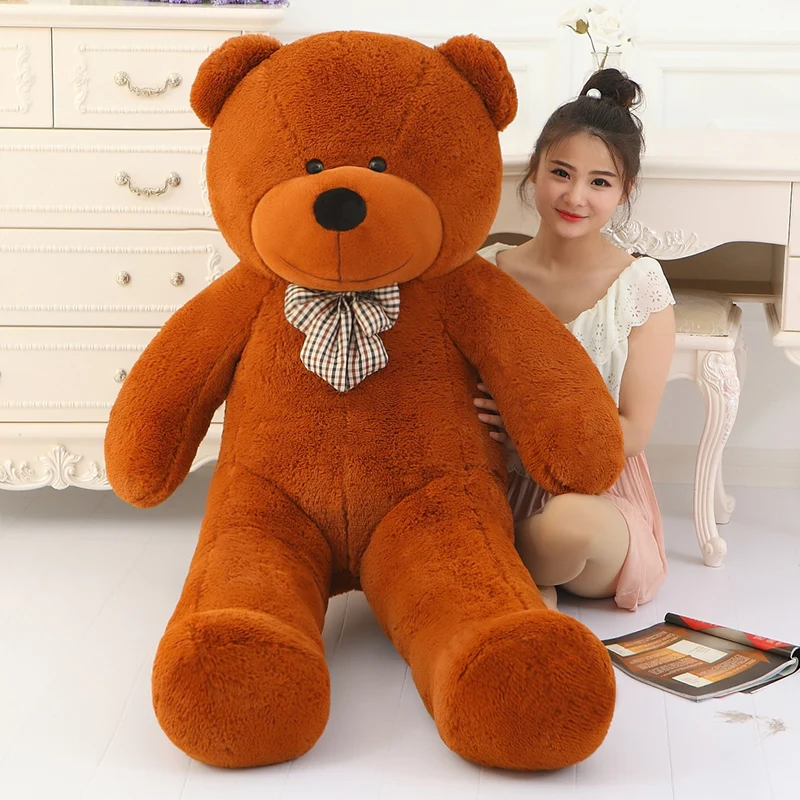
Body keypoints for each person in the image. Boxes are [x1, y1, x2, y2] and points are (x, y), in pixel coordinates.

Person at [475, 69, 675, 612]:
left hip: (597, 501)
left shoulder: (640, 287)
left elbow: (633, 432)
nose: (575, 196)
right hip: (494, 486)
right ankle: (522, 580)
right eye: (560, 173)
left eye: (599, 182)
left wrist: (528, 419)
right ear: (535, 170)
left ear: (624, 191)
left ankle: (510, 573)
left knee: (567, 524)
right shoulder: (486, 274)